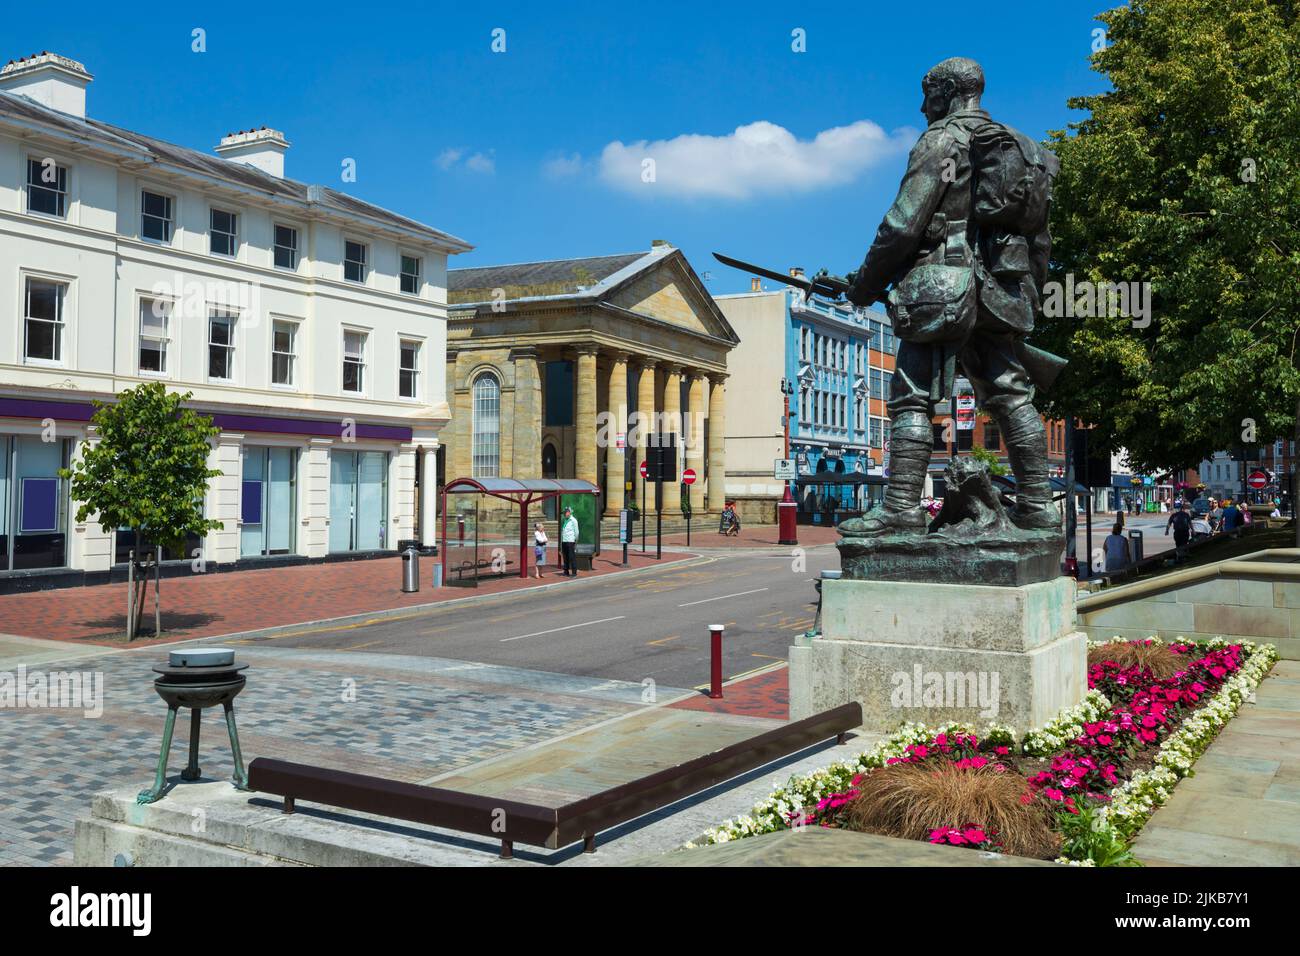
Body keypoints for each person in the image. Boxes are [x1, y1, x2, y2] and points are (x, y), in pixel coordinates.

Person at [834, 57, 1064, 538]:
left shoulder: (942, 140)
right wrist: (1026, 301)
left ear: (948, 91)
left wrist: (864, 285)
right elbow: (1039, 241)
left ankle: (899, 508)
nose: (922, 106)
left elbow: (902, 225)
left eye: (928, 94)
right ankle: (1040, 508)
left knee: (910, 399)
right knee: (1011, 395)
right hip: (999, 292)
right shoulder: (1025, 149)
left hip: (942, 288)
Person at [559, 506, 579, 576]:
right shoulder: (565, 520)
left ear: (569, 512)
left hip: (570, 541)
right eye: (564, 513)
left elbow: (576, 532)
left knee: (571, 557)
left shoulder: (573, 520)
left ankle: (574, 572)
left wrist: (575, 541)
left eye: (566, 512)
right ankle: (566, 571)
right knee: (565, 557)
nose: (564, 514)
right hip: (564, 540)